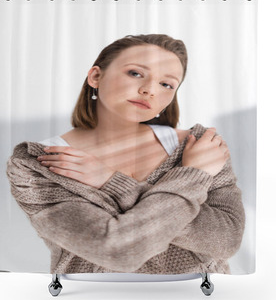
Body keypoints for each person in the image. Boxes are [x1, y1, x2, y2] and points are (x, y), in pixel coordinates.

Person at [6, 34, 245, 275]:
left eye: (166, 84)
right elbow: (118, 250)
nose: (149, 90)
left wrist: (112, 183)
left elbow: (227, 239)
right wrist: (193, 176)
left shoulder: (200, 144)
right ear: (96, 76)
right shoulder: (37, 163)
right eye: (136, 73)